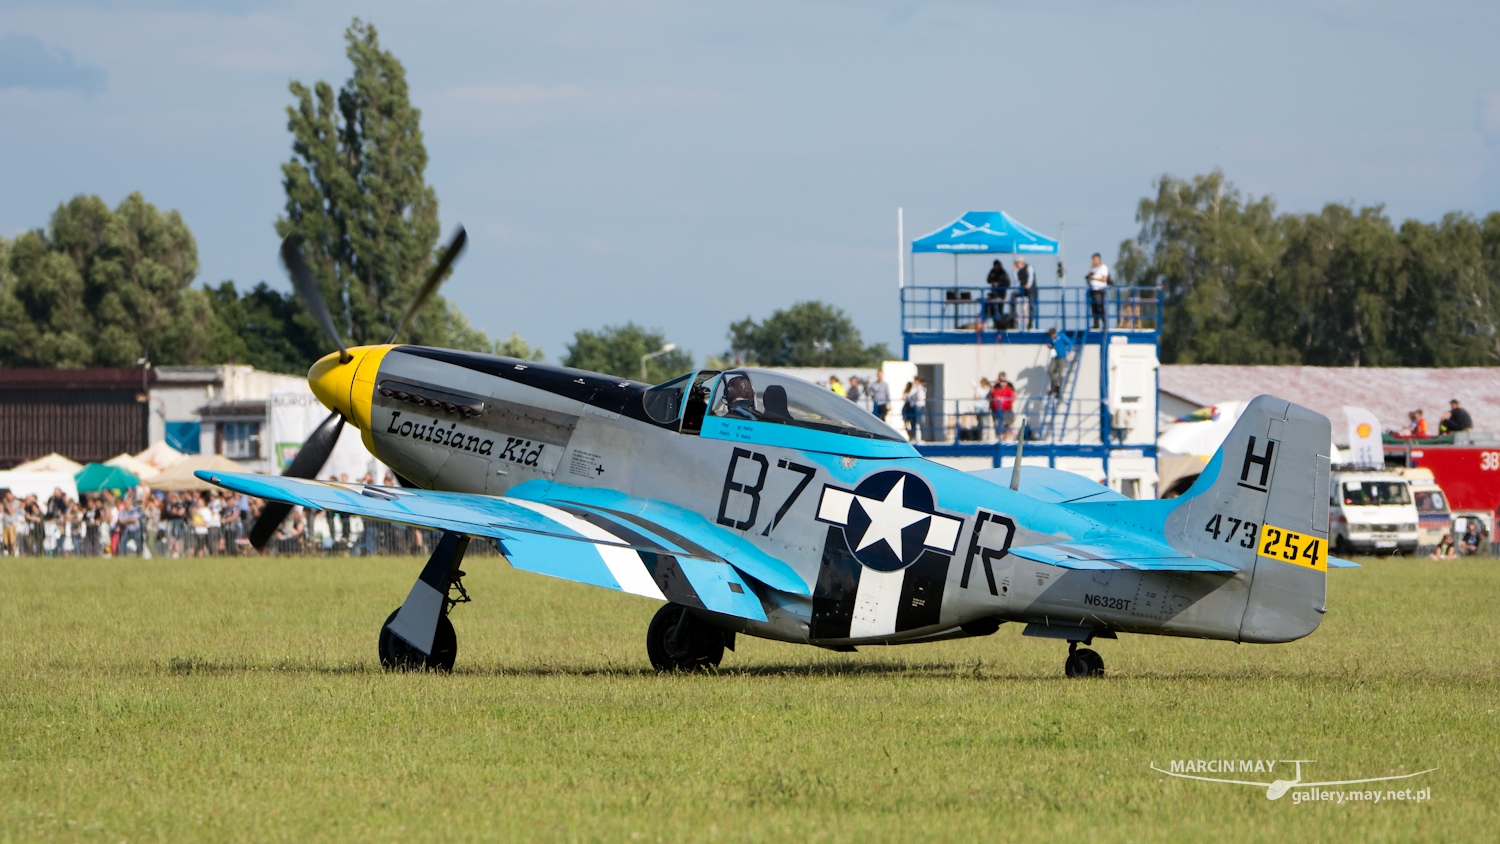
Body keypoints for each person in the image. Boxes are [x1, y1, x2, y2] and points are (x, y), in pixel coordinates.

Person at [1046, 328, 1073, 398]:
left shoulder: (1061, 336)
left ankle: (1059, 390)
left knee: (1060, 375)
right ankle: (1056, 385)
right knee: (1050, 370)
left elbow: (1069, 342)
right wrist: (1050, 346)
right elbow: (1053, 345)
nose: (1052, 337)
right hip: (1055, 357)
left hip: (1062, 358)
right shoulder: (1052, 339)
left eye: (1052, 335)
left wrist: (1069, 351)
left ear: (1054, 333)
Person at [985, 260, 1011, 330]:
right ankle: (994, 323)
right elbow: (988, 280)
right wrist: (992, 280)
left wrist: (999, 284)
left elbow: (1007, 283)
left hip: (1001, 294)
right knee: (991, 308)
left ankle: (1001, 324)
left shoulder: (1003, 273)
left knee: (1000, 310)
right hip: (993, 294)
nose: (996, 267)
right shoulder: (992, 271)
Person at [1086, 253, 1109, 330]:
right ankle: (1096, 324)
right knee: (1094, 307)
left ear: (1098, 259)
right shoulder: (1093, 269)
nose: (1092, 261)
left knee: (1100, 306)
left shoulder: (1103, 267)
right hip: (1093, 289)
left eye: (1094, 259)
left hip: (1100, 289)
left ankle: (1104, 323)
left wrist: (1093, 278)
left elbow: (1104, 279)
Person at [1013, 258, 1036, 329]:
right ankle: (1013, 318)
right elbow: (1016, 281)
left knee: (1031, 304)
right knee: (1012, 296)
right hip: (1022, 290)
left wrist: (1028, 284)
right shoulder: (1018, 271)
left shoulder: (1029, 267)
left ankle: (1030, 322)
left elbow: (1031, 278)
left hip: (1031, 290)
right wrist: (1014, 271)